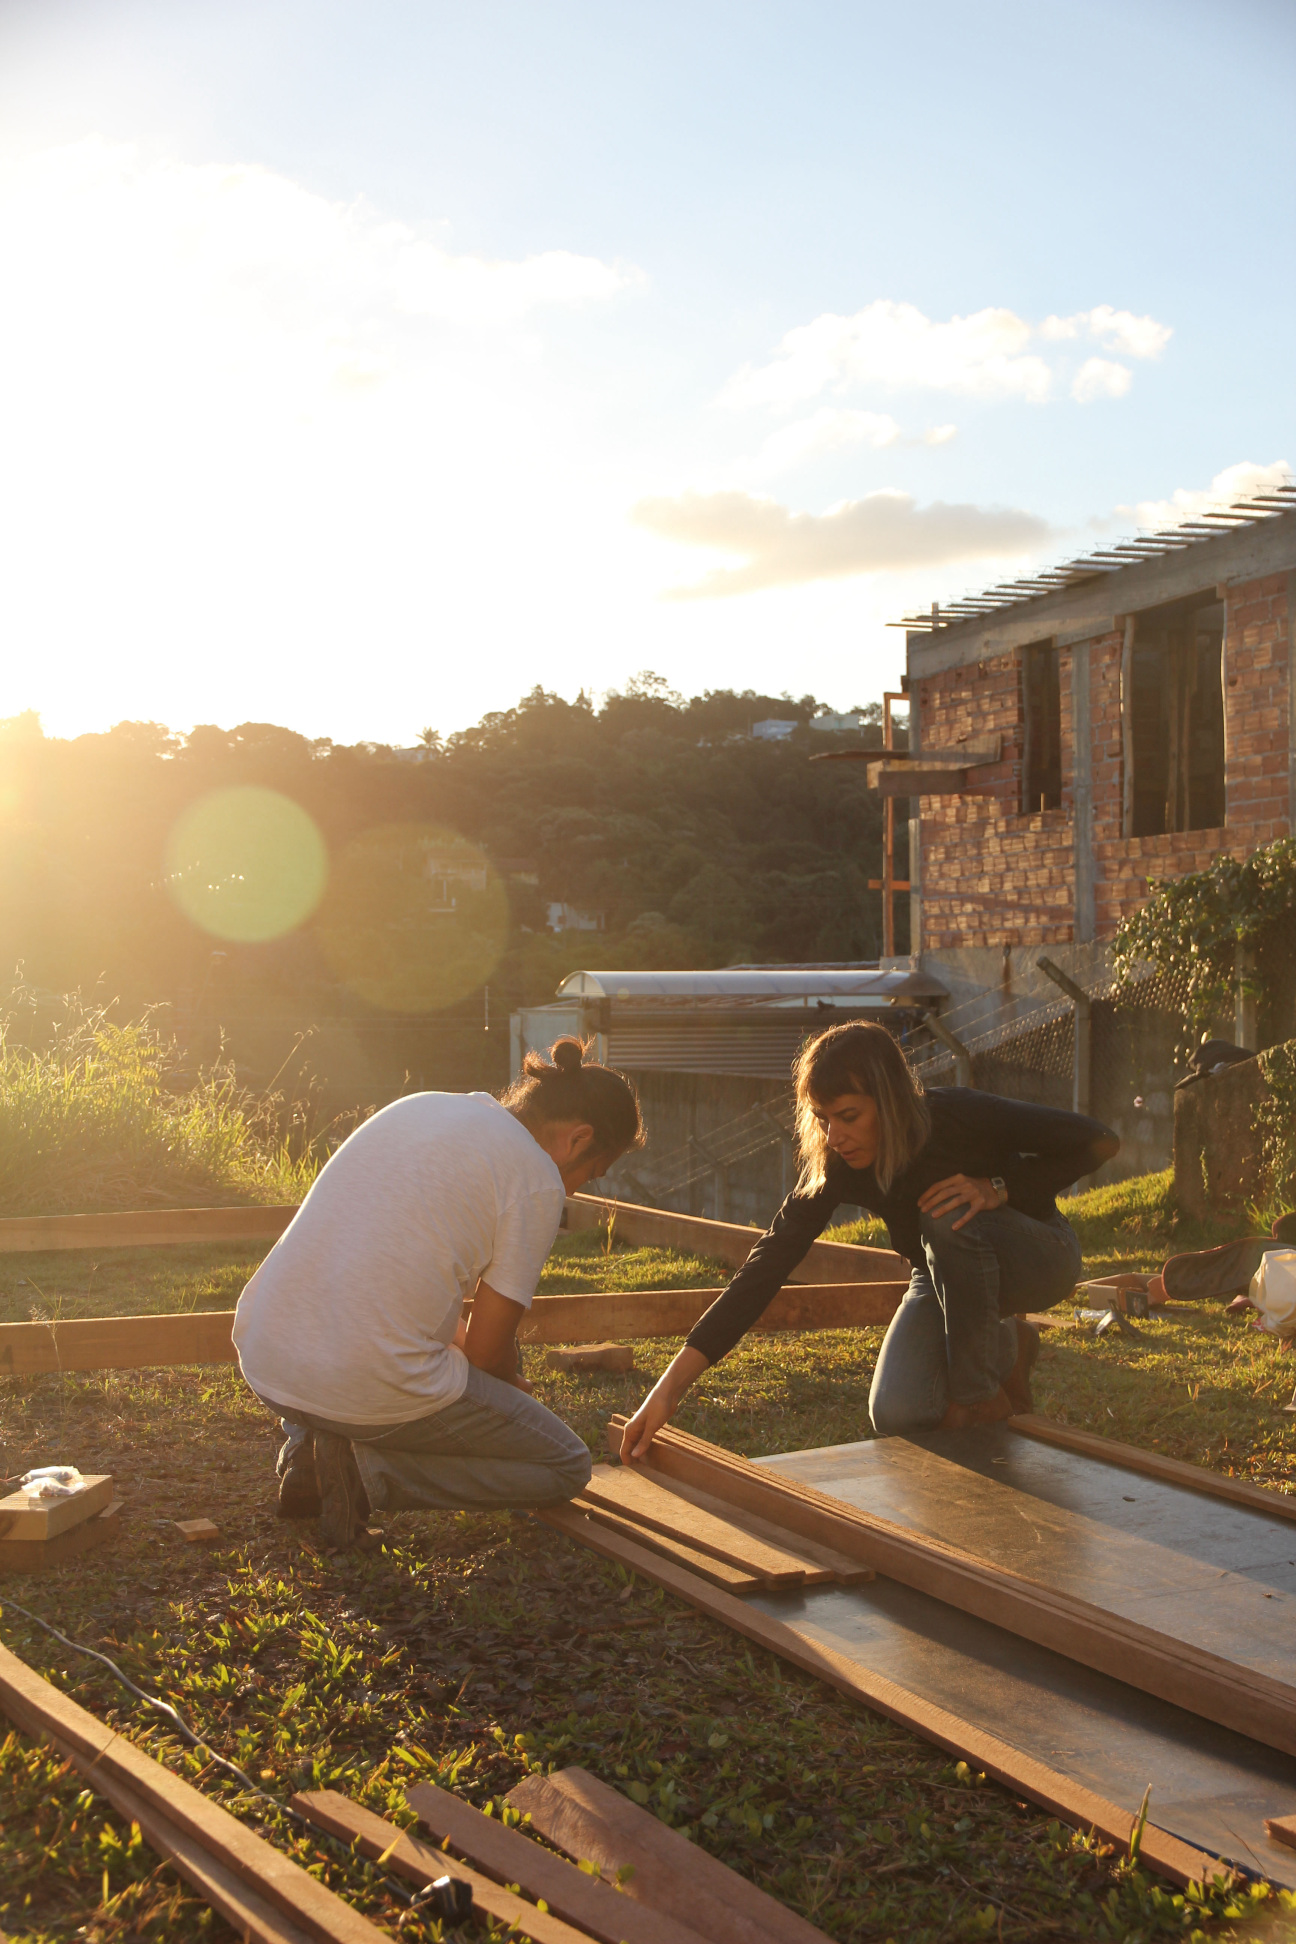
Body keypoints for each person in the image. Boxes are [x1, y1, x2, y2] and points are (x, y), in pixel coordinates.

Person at [621, 1022, 1118, 1458]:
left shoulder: (957, 1116)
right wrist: (667, 1390)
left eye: (849, 1116)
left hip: (1039, 1258)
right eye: (823, 1118)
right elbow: (768, 1264)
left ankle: (978, 1396)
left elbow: (1098, 1139)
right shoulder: (839, 1164)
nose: (834, 1135)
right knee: (897, 1414)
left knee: (944, 1217)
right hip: (939, 1272)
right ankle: (1006, 1345)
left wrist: (998, 1189)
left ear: (892, 1101)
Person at [233, 1038, 644, 1547]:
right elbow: (488, 1353)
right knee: (564, 1464)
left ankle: (307, 1450)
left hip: (267, 1359)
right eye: (591, 1172)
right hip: (357, 1380)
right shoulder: (535, 1177)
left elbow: (396, 1269)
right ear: (579, 1140)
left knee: (386, 1362)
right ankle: (364, 1473)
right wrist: (508, 1389)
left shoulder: (422, 1106)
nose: (579, 1188)